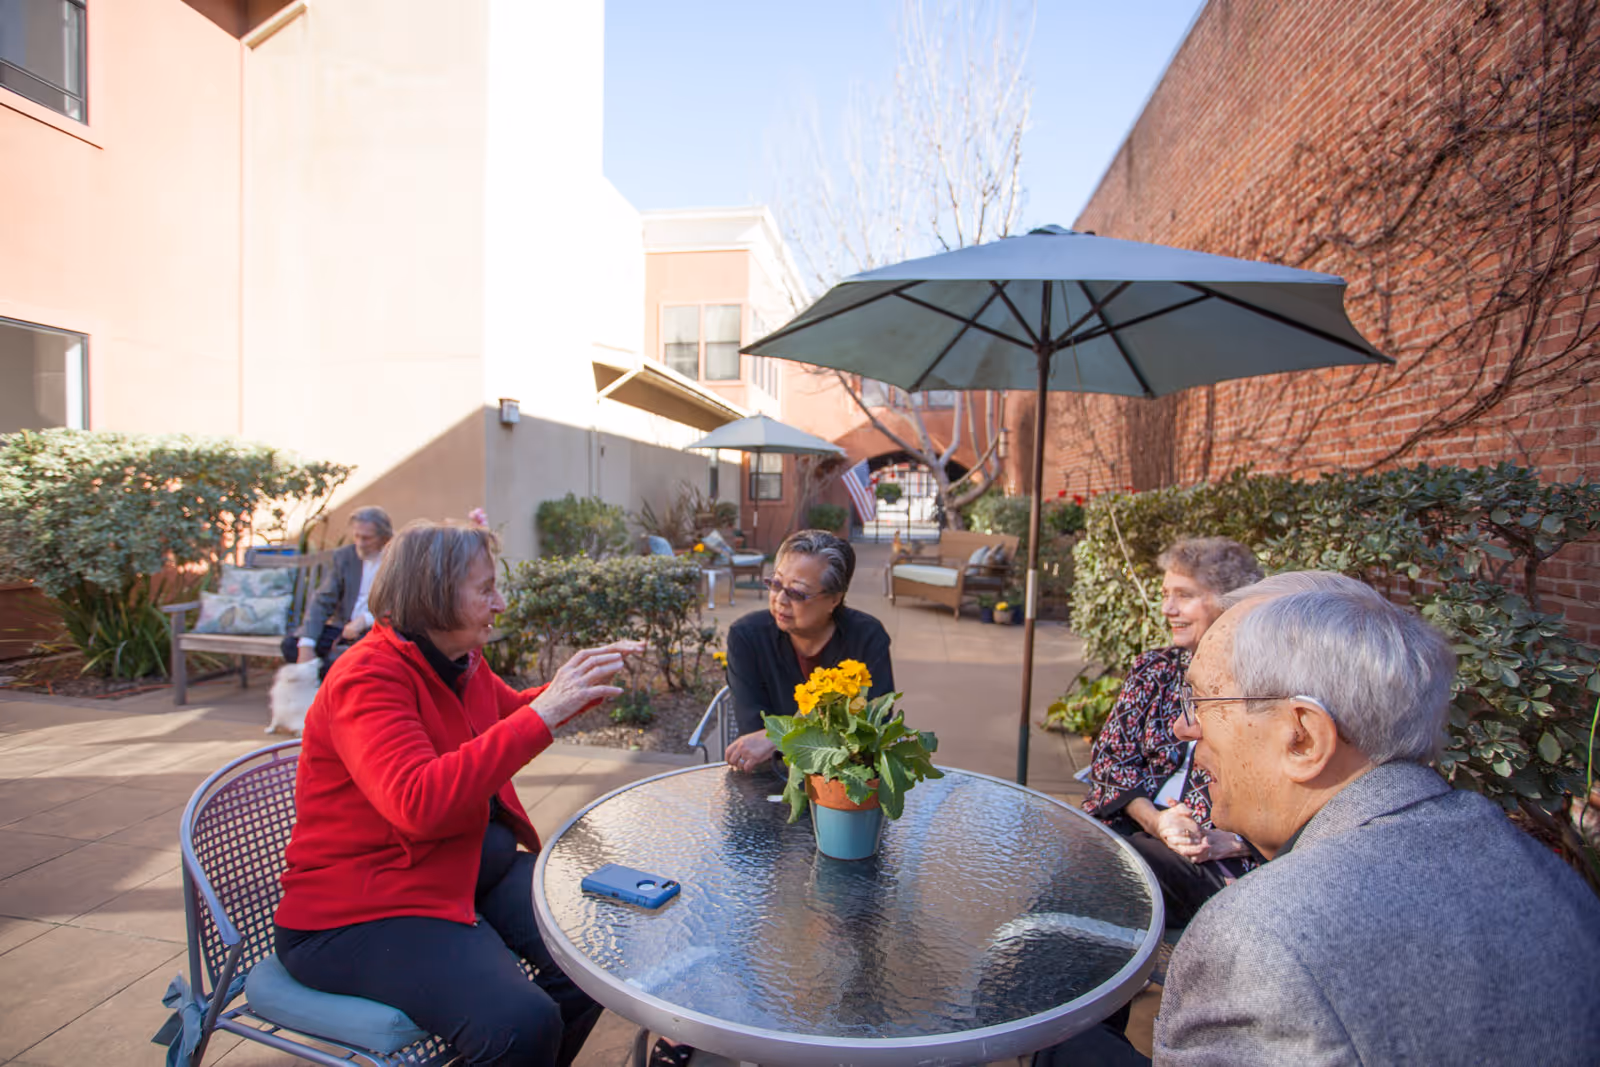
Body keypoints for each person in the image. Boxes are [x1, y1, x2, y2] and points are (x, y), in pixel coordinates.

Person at [1151, 579, 1600, 1064]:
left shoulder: (1261, 937)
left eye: (1203, 703)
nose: (1184, 727)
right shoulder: (1550, 876)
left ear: (1304, 738)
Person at [273, 521, 645, 1067]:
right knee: (520, 1024)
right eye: (486, 588)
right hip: (365, 908)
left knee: (601, 951)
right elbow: (418, 803)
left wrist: (571, 691)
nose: (500, 601)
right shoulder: (367, 677)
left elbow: (509, 716)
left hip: (463, 869)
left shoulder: (459, 661)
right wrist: (546, 712)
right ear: (435, 595)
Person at [1082, 537, 1263, 925]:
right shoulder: (1155, 669)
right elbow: (1111, 761)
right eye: (1165, 594)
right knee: (1082, 861)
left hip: (1215, 861)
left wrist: (1233, 842)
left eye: (1184, 595)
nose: (1168, 609)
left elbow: (1291, 801)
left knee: (1103, 876)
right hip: (1135, 827)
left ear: (1231, 602)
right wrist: (1157, 822)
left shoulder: (1262, 687)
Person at [722, 529, 894, 773]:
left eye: (796, 593)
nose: (780, 599)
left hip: (846, 780)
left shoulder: (867, 638)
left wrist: (776, 737)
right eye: (776, 583)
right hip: (770, 778)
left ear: (834, 599)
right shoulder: (747, 637)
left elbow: (873, 731)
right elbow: (752, 733)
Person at [280, 505, 393, 671]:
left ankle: (333, 686)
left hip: (380, 630)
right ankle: (327, 688)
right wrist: (307, 644)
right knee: (292, 646)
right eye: (356, 536)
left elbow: (401, 603)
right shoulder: (345, 556)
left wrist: (366, 620)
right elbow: (323, 600)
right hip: (344, 629)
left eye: (367, 538)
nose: (360, 544)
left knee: (356, 658)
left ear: (384, 537)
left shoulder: (397, 557)